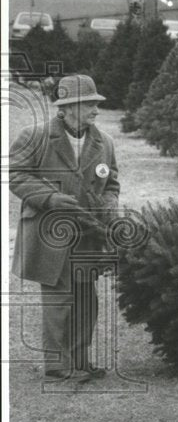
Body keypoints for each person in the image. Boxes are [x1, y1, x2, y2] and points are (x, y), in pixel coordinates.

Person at [10, 74, 120, 380]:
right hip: (50, 233)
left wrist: (109, 208)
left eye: (97, 104)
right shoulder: (35, 136)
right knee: (58, 299)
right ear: (68, 108)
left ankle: (80, 359)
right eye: (89, 104)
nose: (96, 110)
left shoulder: (105, 143)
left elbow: (111, 184)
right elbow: (17, 175)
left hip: (89, 235)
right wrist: (50, 198)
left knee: (87, 298)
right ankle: (57, 364)